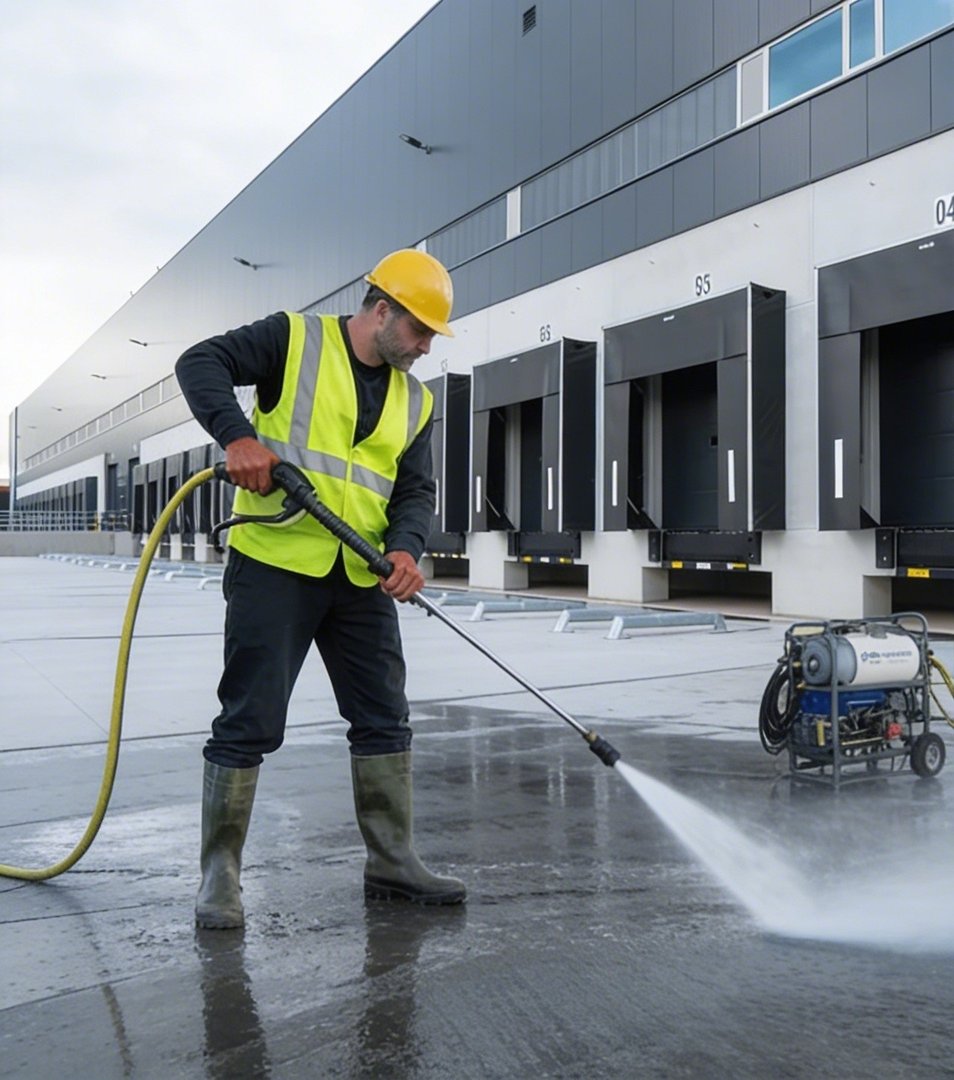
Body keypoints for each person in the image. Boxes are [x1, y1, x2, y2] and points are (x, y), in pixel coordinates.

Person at [175, 249, 466, 930]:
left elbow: (415, 489)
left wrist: (405, 548)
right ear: (382, 309)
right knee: (250, 719)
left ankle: (392, 861)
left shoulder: (416, 400)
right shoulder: (293, 340)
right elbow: (199, 362)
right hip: (276, 562)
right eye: (420, 331)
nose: (425, 348)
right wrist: (238, 438)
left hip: (360, 575)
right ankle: (220, 876)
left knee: (384, 716)